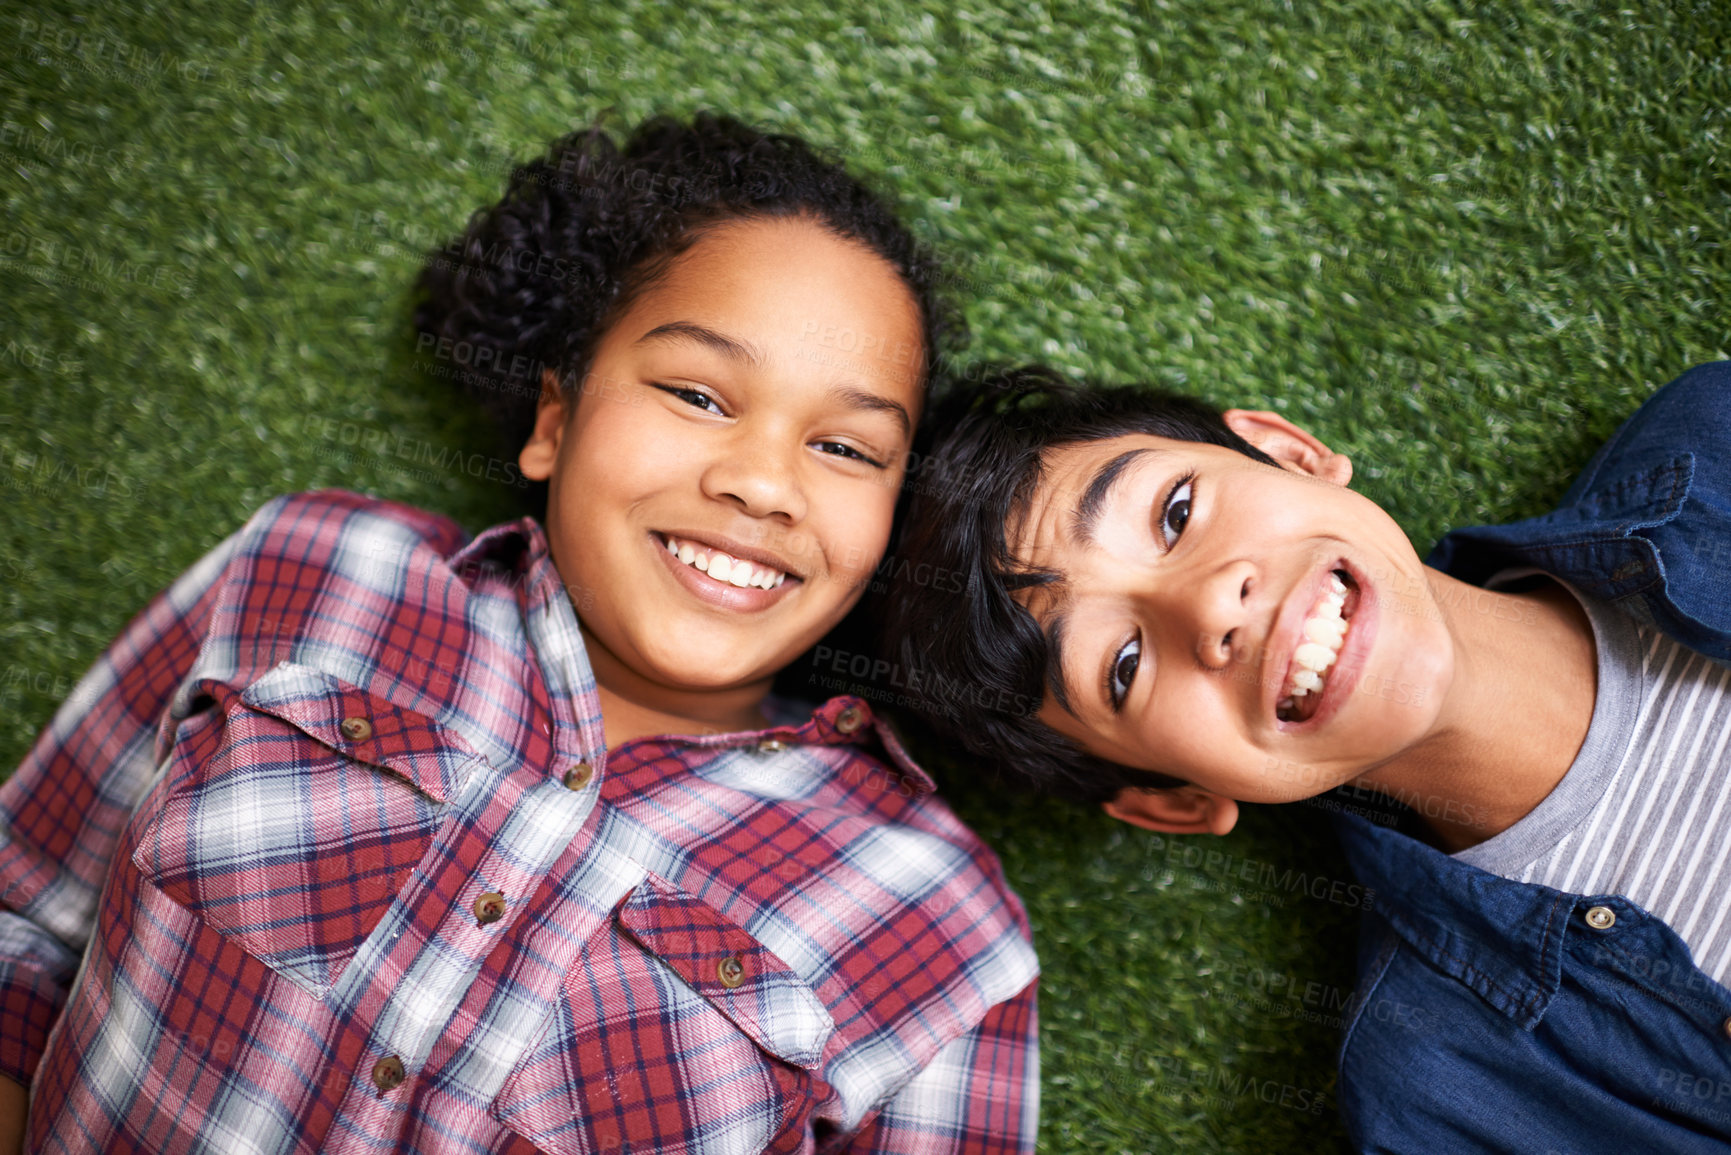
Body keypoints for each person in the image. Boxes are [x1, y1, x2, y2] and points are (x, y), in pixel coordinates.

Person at [0, 114, 1038, 1154]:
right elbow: (23, 913)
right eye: (695, 393)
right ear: (554, 422)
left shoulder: (944, 933)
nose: (764, 483)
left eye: (847, 449)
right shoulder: (313, 570)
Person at [883, 362, 1731, 1152]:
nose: (1210, 603)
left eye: (1175, 511)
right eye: (1123, 667)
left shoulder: (1709, 444)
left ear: (1288, 451)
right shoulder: (1449, 1101)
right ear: (1174, 797)